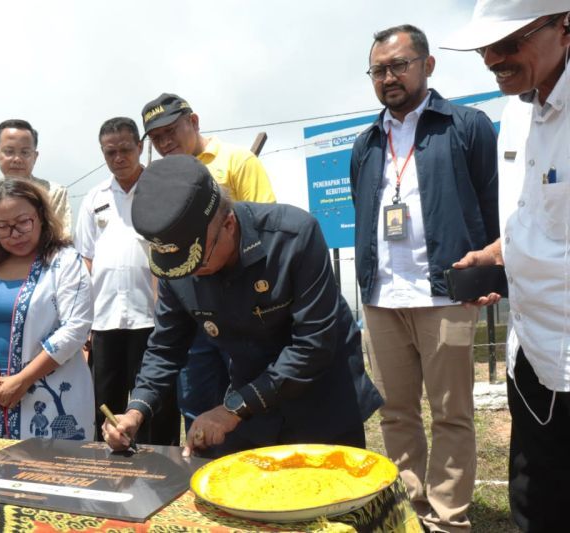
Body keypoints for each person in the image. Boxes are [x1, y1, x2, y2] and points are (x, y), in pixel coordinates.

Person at [103, 156, 379, 458]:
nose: (190, 275)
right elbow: (166, 347)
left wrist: (232, 409)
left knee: (329, 485)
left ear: (228, 224)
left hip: (322, 399)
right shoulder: (178, 267)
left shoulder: (293, 237)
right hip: (252, 403)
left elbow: (313, 345)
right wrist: (136, 410)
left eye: (198, 262)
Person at [349, 24, 499, 532]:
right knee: (395, 412)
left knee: (452, 412)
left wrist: (490, 275)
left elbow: (490, 202)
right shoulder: (366, 143)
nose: (388, 77)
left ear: (427, 65)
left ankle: (449, 518)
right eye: (378, 70)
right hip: (382, 299)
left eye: (399, 65)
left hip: (447, 295)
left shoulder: (466, 125)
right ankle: (410, 511)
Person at [443, 2, 570, 530]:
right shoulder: (516, 111)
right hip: (530, 354)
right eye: (484, 48)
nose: (493, 58)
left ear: (565, 27)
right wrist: (495, 255)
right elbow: (535, 216)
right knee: (533, 502)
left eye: (509, 42)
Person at [141, 93, 276, 434]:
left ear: (194, 121)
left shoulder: (237, 161)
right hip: (192, 309)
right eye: (156, 138)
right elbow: (161, 250)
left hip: (241, 308)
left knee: (247, 398)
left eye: (170, 131)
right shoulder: (159, 181)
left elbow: (264, 228)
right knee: (196, 401)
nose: (164, 142)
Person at [0, 179, 94, 440]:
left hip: (52, 400)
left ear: (41, 216)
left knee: (49, 466)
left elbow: (75, 328)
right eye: (3, 227)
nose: (15, 234)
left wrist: (23, 380)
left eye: (23, 222)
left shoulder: (65, 262)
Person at [75, 117, 177, 445]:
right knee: (105, 403)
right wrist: (85, 319)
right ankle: (109, 465)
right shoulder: (94, 198)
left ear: (140, 147)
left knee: (157, 404)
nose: (118, 158)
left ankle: (161, 464)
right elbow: (86, 258)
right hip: (105, 319)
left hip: (151, 318)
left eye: (125, 149)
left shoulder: (160, 190)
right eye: (110, 152)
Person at [0, 119, 72, 262]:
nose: (17, 159)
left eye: (25, 152)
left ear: (35, 157)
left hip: (43, 270)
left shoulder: (54, 193)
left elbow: (61, 239)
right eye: (9, 152)